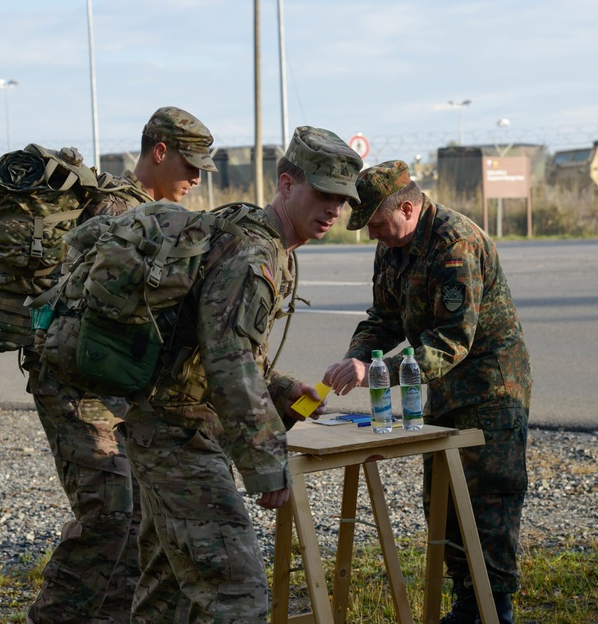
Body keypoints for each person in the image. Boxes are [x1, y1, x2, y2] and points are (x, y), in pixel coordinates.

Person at [123, 125, 362, 623]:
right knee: (237, 594)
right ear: (287, 183)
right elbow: (228, 357)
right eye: (324, 193)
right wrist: (264, 461)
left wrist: (281, 388)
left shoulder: (268, 243)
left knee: (168, 587)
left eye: (342, 199)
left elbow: (223, 347)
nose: (334, 210)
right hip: (176, 428)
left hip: (167, 420)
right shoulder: (256, 252)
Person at [25, 106, 219, 624]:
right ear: (159, 152)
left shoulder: (155, 217)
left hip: (113, 385)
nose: (197, 177)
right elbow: (89, 312)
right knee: (109, 515)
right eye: (189, 164)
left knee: (136, 516)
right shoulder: (119, 211)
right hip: (75, 386)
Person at [323, 159, 531, 624]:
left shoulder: (456, 244)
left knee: (488, 500)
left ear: (410, 207)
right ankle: (465, 603)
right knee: (444, 500)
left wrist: (383, 371)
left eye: (377, 223)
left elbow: (452, 340)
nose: (373, 234)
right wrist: (356, 359)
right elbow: (383, 318)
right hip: (437, 390)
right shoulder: (393, 246)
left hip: (490, 389)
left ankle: (495, 609)